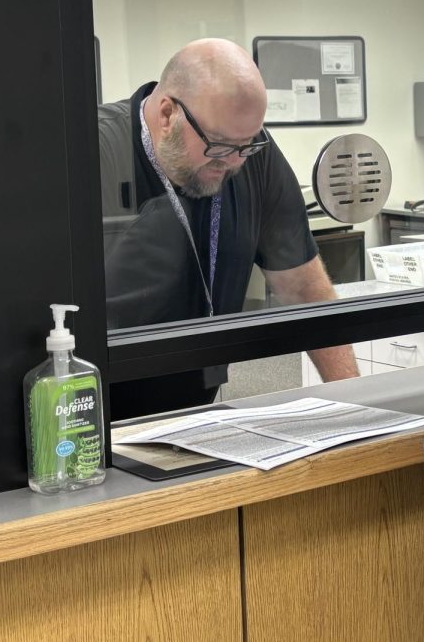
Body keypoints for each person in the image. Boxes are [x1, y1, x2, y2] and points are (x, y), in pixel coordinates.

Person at [99, 38, 358, 418]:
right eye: (219, 146)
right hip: (95, 420)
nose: (234, 162)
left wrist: (353, 405)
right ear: (168, 114)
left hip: (195, 413)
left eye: (246, 144)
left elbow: (304, 290)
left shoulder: (254, 157)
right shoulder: (95, 152)